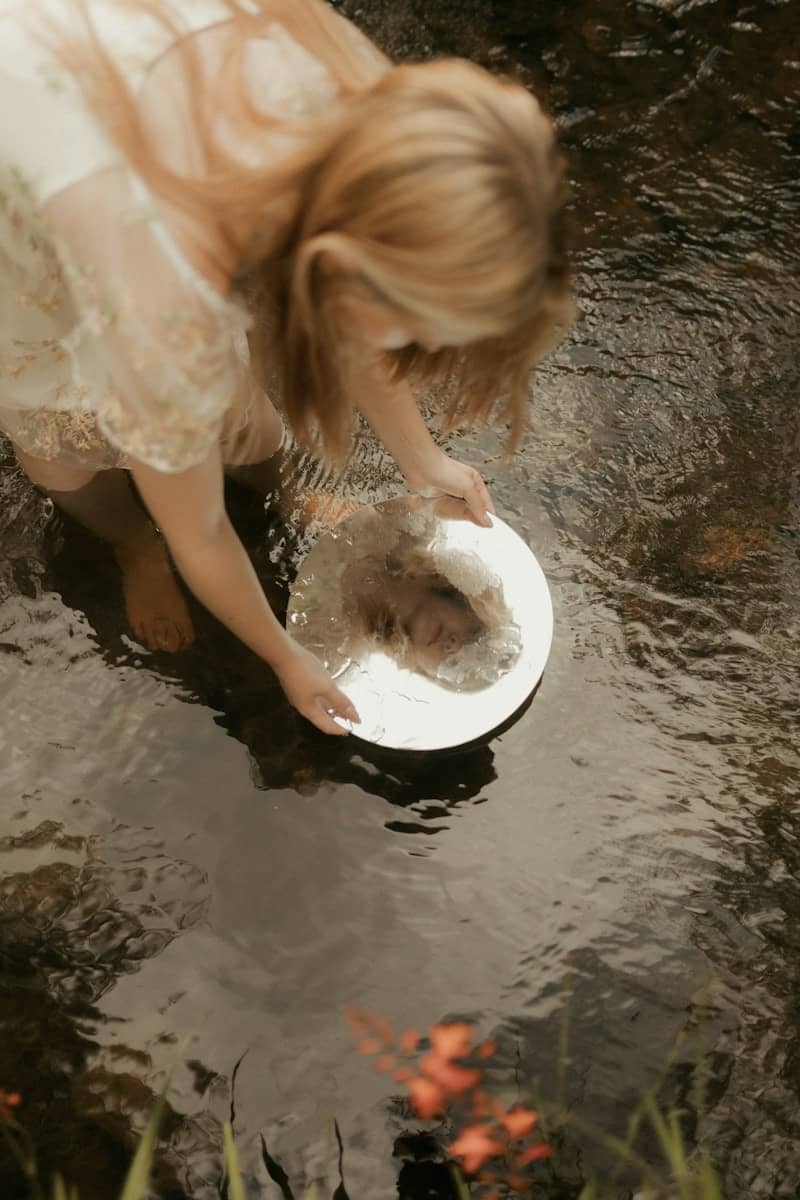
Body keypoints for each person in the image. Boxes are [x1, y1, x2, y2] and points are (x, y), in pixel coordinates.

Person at [0, 0, 572, 734]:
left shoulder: (365, 104)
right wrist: (285, 656)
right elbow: (202, 533)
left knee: (239, 417)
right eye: (417, 332)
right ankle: (132, 547)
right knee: (67, 451)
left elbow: (346, 309)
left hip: (82, 71)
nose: (411, 353)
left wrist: (421, 459)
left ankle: (286, 489)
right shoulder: (167, 301)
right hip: (48, 281)